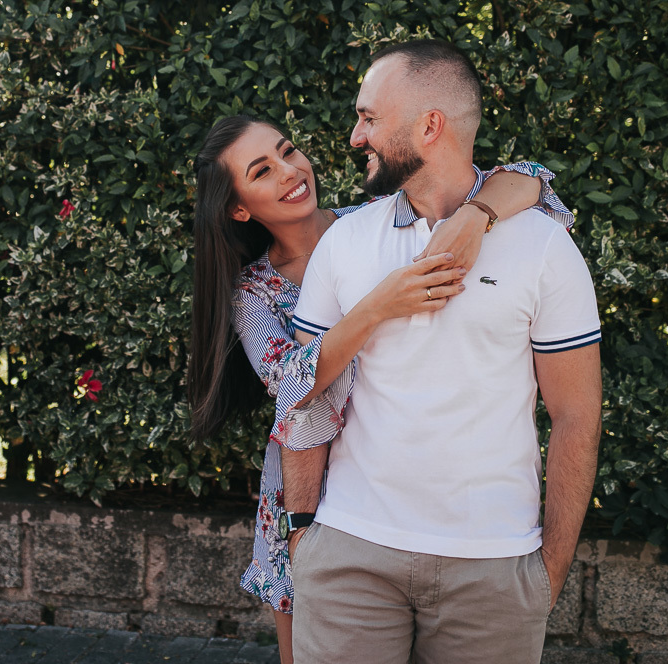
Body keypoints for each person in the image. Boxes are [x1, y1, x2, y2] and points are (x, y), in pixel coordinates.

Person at [188, 113, 575, 663]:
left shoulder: (374, 221)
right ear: (239, 208)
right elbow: (290, 381)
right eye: (262, 170)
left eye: (288, 150)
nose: (290, 171)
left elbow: (533, 177)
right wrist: (378, 306)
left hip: (408, 489)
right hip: (306, 496)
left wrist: (474, 216)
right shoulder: (253, 291)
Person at [286, 39, 602, 664]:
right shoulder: (346, 240)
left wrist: (548, 573)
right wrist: (304, 536)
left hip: (492, 568)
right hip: (350, 555)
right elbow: (305, 396)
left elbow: (575, 415)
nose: (355, 137)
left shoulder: (543, 245)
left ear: (430, 126)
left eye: (369, 117)